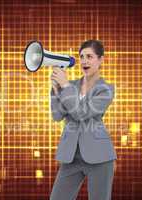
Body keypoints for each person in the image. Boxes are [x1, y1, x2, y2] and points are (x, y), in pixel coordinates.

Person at [49, 40, 117, 200]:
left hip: (100, 157)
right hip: (71, 155)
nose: (84, 61)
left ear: (101, 60)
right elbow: (57, 116)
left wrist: (65, 86)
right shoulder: (70, 86)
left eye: (89, 56)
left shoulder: (106, 90)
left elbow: (81, 113)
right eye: (81, 56)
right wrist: (55, 90)